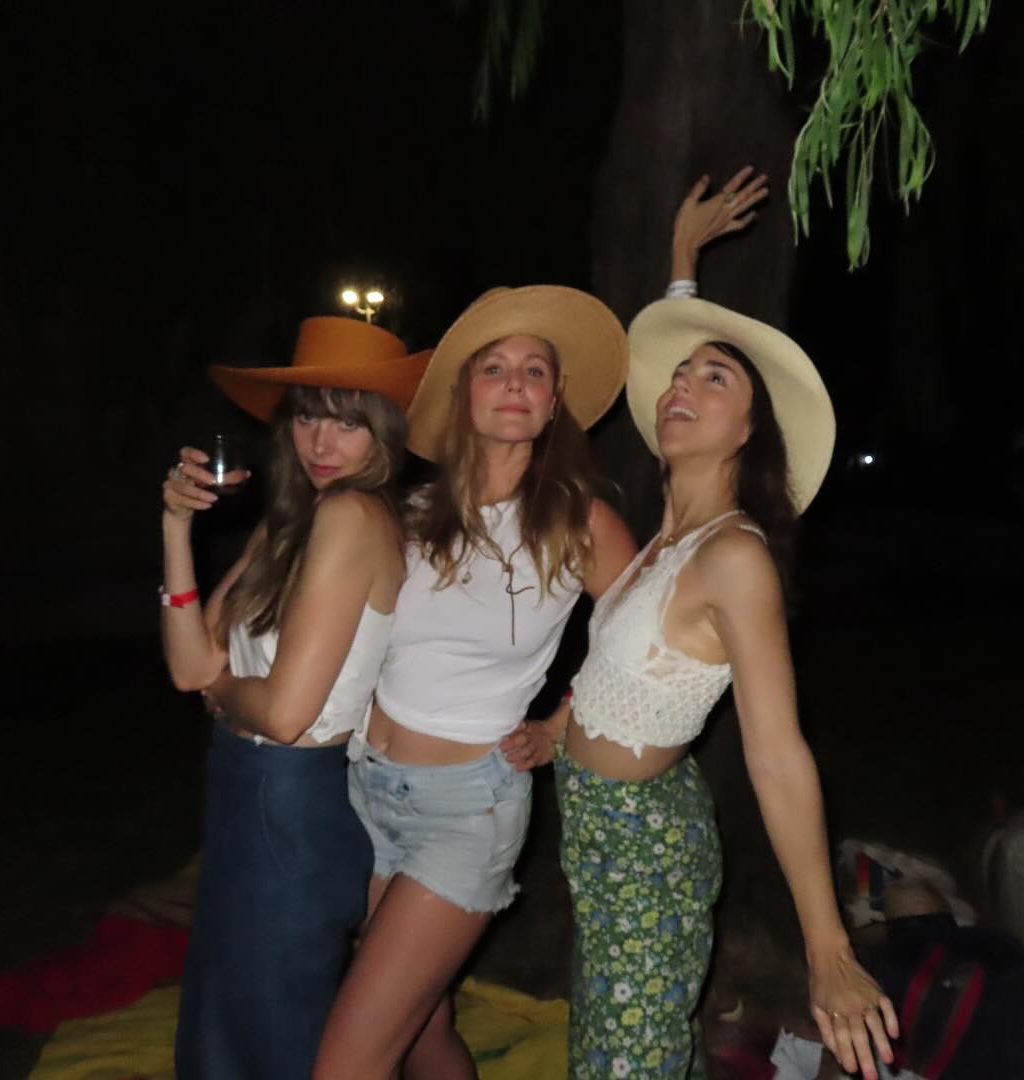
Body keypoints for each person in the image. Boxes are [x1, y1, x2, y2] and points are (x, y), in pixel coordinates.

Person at [501, 171, 900, 1079]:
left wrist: (828, 948)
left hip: (645, 854)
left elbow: (779, 754)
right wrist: (681, 262)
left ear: (750, 430)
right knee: (618, 1050)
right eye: (678, 377)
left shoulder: (734, 557)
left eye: (712, 379)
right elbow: (632, 669)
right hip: (604, 839)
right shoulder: (668, 540)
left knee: (627, 1065)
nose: (679, 386)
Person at [312, 286, 641, 1079]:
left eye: (535, 370)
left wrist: (561, 725)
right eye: (494, 368)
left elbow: (644, 640)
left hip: (466, 811)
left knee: (347, 1060)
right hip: (365, 793)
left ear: (555, 400)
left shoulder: (579, 520)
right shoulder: (409, 513)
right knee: (421, 1030)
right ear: (463, 394)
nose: (516, 383)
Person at [161, 316, 428, 1079]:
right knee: (228, 1022)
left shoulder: (351, 515)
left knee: (274, 1035)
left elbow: (282, 713)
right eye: (309, 416)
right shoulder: (292, 522)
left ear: (384, 434)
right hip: (243, 792)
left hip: (292, 800)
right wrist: (175, 526)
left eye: (347, 422)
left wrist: (222, 690)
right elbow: (187, 664)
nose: (320, 441)